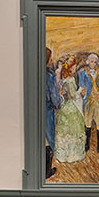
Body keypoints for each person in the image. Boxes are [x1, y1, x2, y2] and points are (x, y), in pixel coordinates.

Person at [78, 53, 99, 156]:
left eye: (95, 62)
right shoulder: (82, 73)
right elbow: (81, 86)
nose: (93, 63)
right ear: (88, 62)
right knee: (87, 123)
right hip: (88, 101)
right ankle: (86, 146)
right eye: (91, 61)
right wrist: (82, 92)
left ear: (98, 63)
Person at [54, 60, 86, 163]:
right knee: (74, 130)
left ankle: (64, 155)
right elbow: (72, 96)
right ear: (69, 68)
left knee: (65, 131)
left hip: (65, 107)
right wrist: (80, 90)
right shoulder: (70, 80)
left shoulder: (64, 80)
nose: (75, 69)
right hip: (71, 108)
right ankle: (73, 155)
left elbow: (64, 94)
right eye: (73, 67)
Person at [44, 48, 62, 179]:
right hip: (46, 112)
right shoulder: (49, 76)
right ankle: (46, 171)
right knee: (48, 141)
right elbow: (55, 101)